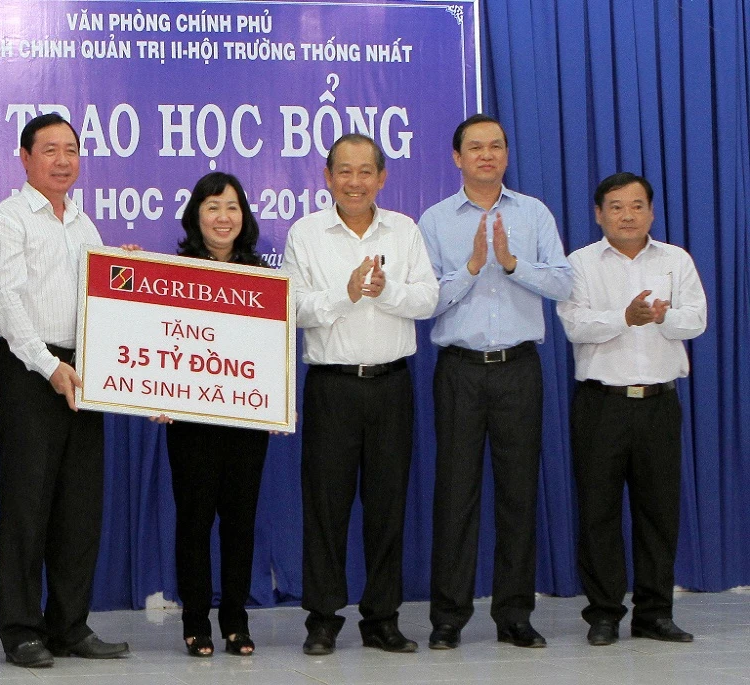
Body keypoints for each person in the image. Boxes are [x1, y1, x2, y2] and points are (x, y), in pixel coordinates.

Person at [0, 112, 128, 668]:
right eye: (50, 150)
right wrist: (48, 365)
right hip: (29, 372)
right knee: (27, 505)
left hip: (81, 372)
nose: (63, 161)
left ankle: (69, 625)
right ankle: (21, 630)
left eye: (71, 150)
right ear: (25, 157)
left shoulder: (85, 227)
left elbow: (99, 299)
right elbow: (7, 303)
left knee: (79, 508)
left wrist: (125, 274)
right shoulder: (7, 220)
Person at [418, 114, 573, 650]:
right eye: (475, 147)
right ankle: (448, 618)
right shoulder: (435, 220)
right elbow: (425, 300)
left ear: (506, 154)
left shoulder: (533, 213)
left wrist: (510, 264)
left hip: (519, 369)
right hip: (459, 370)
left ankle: (514, 615)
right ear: (457, 158)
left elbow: (564, 284)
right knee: (455, 495)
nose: (486, 155)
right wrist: (471, 268)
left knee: (518, 494)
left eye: (496, 146)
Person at [282, 133, 439, 655]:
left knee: (388, 508)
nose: (355, 182)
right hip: (332, 387)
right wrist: (345, 294)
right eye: (344, 172)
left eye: (365, 171)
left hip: (392, 385)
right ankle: (323, 619)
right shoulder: (306, 234)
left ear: (382, 178)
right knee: (325, 508)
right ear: (328, 177)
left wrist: (385, 291)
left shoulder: (405, 230)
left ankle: (383, 619)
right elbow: (292, 308)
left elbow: (428, 299)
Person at [557, 172, 706, 646]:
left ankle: (655, 614)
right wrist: (624, 317)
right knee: (597, 513)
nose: (628, 215)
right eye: (617, 207)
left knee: (658, 513)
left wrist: (663, 316)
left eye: (637, 206)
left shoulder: (675, 260)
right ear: (599, 214)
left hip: (659, 404)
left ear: (651, 212)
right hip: (601, 404)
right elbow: (575, 325)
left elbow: (696, 320)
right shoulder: (580, 263)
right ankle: (603, 614)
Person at [150, 172, 270, 658]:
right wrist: (155, 393)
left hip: (246, 421)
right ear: (196, 216)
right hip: (191, 422)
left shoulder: (263, 277)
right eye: (213, 207)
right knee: (195, 523)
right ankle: (195, 621)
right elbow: (158, 342)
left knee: (240, 523)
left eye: (232, 207)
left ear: (244, 216)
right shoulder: (174, 273)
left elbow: (269, 351)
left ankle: (236, 621)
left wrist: (277, 397)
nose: (224, 217)